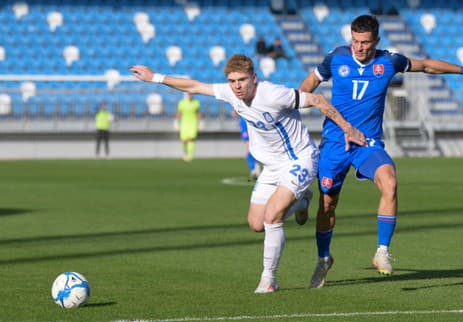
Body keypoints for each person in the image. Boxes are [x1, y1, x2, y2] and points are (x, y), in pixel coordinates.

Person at [130, 54, 366, 293]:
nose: (237, 86)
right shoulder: (230, 93)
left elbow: (317, 99)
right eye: (232, 81)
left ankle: (268, 280)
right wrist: (154, 77)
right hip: (271, 166)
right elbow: (194, 86)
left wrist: (348, 129)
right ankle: (302, 201)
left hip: (300, 159)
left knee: (272, 216)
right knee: (256, 223)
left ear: (254, 77)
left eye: (242, 80)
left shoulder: (273, 94)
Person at [298, 14, 463, 288]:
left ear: (376, 41)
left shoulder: (389, 61)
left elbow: (425, 66)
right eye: (355, 41)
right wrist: (292, 103)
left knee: (390, 181)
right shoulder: (336, 58)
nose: (359, 48)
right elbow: (309, 85)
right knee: (327, 204)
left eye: (365, 42)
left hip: (368, 143)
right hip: (335, 143)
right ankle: (323, 258)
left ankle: (382, 252)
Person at [231, 109, 262, 180]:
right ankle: (255, 168)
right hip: (247, 123)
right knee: (251, 148)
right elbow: (234, 113)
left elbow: (233, 113)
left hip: (250, 123)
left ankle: (254, 169)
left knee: (252, 148)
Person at [175, 92, 202, 162]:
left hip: (193, 123)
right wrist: (176, 122)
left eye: (191, 94)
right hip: (184, 123)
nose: (190, 96)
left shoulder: (196, 102)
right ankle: (185, 153)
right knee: (184, 140)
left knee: (191, 139)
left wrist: (201, 122)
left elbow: (198, 112)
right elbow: (179, 113)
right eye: (189, 94)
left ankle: (190, 156)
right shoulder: (181, 103)